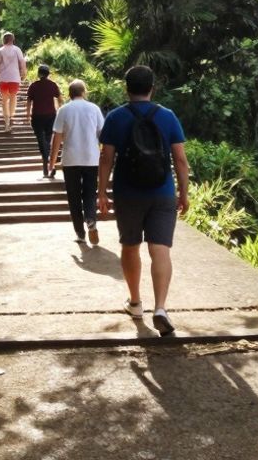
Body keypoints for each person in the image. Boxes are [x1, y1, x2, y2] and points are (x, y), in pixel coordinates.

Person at [97, 65, 189, 337]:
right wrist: (183, 192)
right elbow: (180, 160)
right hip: (162, 193)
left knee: (130, 245)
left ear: (126, 88)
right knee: (160, 249)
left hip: (128, 192)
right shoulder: (168, 117)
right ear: (152, 87)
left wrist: (101, 192)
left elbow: (106, 158)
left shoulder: (115, 117)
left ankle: (136, 303)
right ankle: (160, 307)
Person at [50, 79, 106, 245]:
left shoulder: (64, 110)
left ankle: (80, 233)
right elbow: (102, 134)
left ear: (69, 93)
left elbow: (57, 137)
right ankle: (91, 219)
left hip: (71, 160)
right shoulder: (94, 108)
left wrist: (52, 161)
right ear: (84, 92)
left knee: (73, 197)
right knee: (90, 193)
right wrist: (103, 154)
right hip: (91, 158)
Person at [24, 65, 62, 178]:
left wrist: (27, 114)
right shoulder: (52, 85)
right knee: (48, 138)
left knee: (41, 140)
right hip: (51, 116)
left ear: (39, 74)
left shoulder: (34, 85)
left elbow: (29, 101)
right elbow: (60, 99)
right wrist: (60, 110)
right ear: (48, 74)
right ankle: (49, 162)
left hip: (37, 116)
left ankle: (46, 161)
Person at [0, 33, 27, 132]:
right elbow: (22, 62)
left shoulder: (0, 51)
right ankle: (11, 116)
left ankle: (6, 122)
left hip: (3, 78)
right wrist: (24, 72)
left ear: (3, 40)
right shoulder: (17, 49)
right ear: (13, 39)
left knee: (4, 100)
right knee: (13, 97)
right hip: (14, 77)